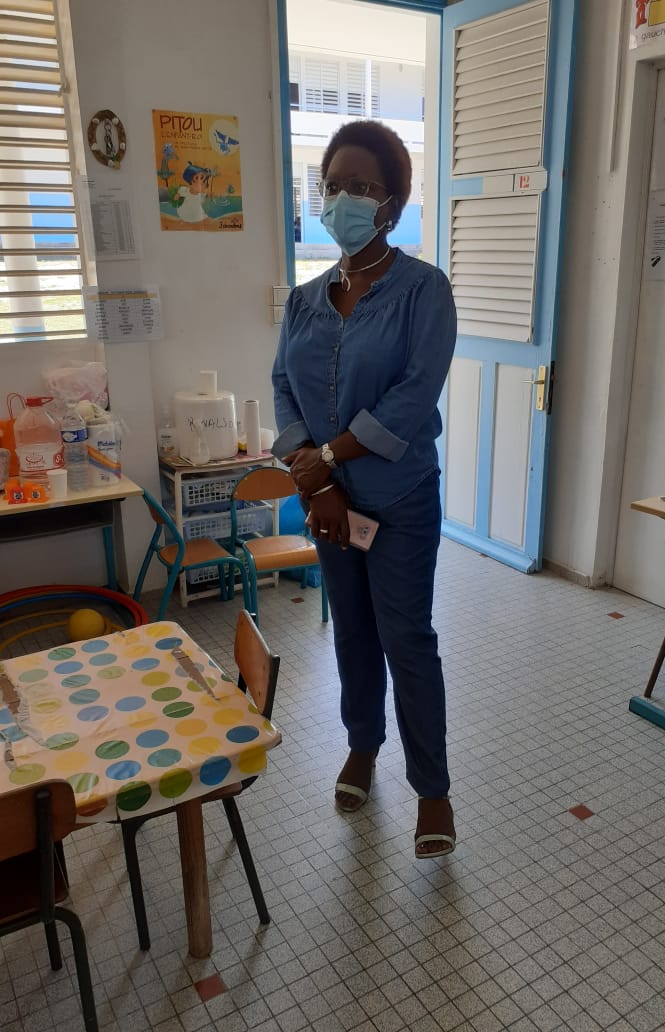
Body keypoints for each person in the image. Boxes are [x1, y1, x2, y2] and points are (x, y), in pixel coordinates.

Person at [271, 120, 457, 859]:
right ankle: (361, 746)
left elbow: (414, 396)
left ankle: (433, 790)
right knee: (350, 631)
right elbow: (283, 384)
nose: (343, 198)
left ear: (392, 203)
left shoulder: (424, 291)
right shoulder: (305, 299)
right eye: (333, 185)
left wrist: (327, 457)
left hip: (400, 499)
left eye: (361, 186)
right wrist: (316, 482)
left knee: (406, 639)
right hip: (329, 504)